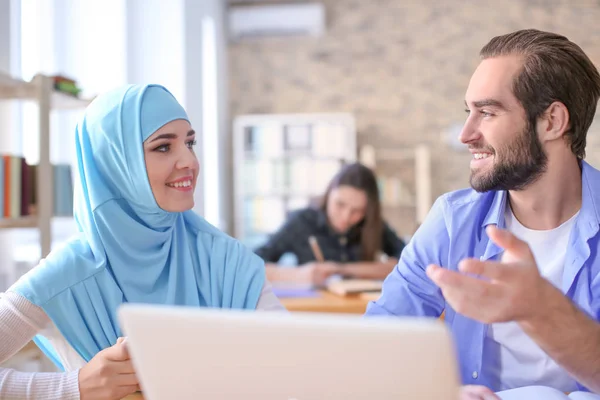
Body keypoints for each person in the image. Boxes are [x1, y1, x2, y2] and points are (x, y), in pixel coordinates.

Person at [0, 84, 284, 399]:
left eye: (190, 143)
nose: (188, 160)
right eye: (163, 147)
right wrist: (73, 387)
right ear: (115, 162)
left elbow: (294, 369)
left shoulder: (227, 259)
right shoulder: (69, 272)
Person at [366, 28, 600, 396]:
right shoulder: (452, 220)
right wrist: (439, 391)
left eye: (487, 112)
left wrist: (540, 310)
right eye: (468, 112)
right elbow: (379, 341)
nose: (465, 134)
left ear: (552, 121)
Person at [254, 162, 406, 286]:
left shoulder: (373, 226)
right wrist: (298, 275)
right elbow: (253, 264)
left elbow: (407, 264)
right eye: (340, 204)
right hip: (314, 313)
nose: (346, 217)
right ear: (328, 195)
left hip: (360, 314)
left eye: (358, 211)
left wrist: (342, 269)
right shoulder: (302, 221)